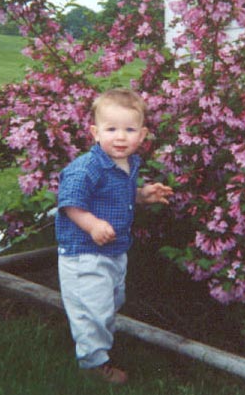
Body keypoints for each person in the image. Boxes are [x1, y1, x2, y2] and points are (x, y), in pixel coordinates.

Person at [56, 88, 172, 384]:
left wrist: (143, 195)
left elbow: (116, 195)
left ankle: (96, 343)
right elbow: (70, 204)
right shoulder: (86, 168)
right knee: (92, 309)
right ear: (95, 132)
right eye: (111, 129)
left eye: (129, 129)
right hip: (84, 252)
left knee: (109, 303)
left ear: (142, 135)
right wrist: (92, 224)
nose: (120, 137)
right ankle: (94, 364)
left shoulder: (129, 165)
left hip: (113, 250)